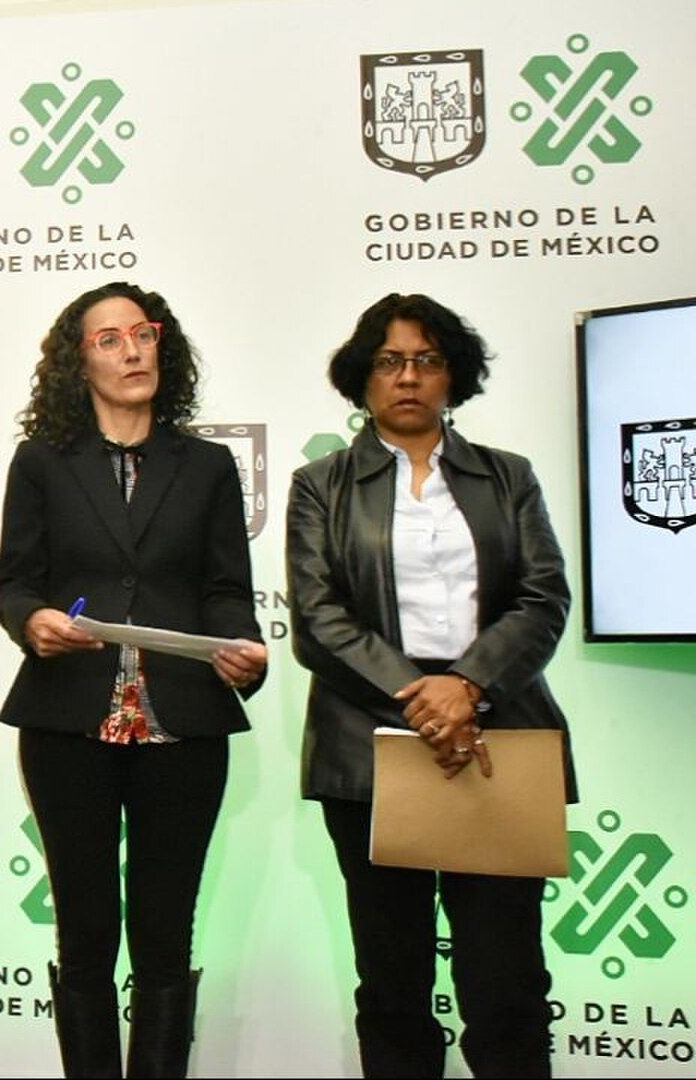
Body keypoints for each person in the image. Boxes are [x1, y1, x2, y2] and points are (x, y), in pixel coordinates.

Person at [287, 293, 572, 1078]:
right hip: (370, 750)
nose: (407, 376)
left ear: (454, 375)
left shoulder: (507, 477)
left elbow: (544, 597)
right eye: (388, 360)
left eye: (427, 359)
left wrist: (468, 687)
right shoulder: (322, 485)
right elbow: (318, 619)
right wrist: (423, 695)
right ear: (361, 376)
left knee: (507, 983)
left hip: (495, 739)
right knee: (393, 987)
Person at [0, 281, 267, 1079]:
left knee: (163, 933)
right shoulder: (43, 463)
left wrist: (239, 647)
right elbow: (15, 583)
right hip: (67, 721)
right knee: (83, 934)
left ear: (162, 346)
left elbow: (225, 590)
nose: (131, 349)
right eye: (108, 339)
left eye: (143, 333)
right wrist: (33, 622)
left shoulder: (208, 465)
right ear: (78, 363)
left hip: (181, 723)